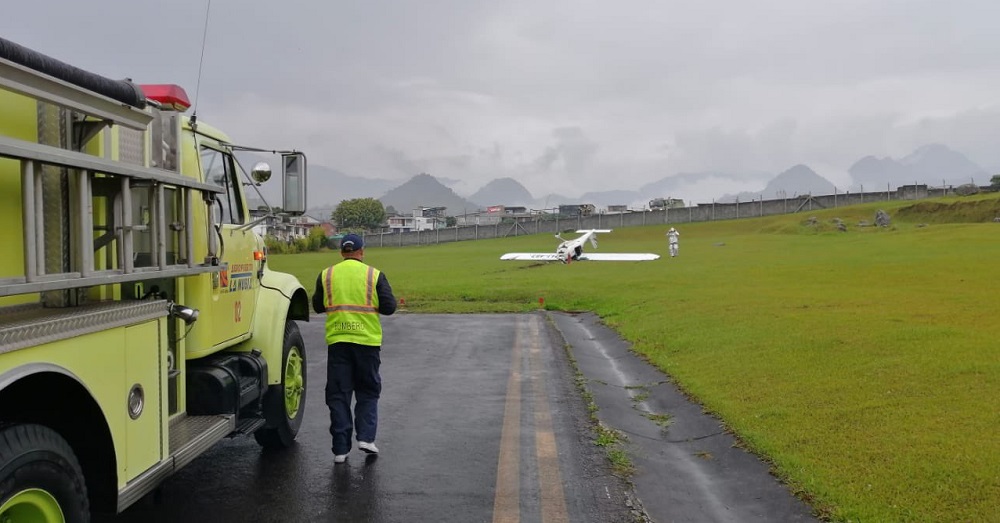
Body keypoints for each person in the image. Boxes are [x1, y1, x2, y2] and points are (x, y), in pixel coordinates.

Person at [312, 233, 397, 464]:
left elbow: (318, 306)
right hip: (367, 343)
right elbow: (389, 307)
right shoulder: (374, 274)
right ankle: (366, 438)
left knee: (339, 395)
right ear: (362, 251)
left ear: (342, 252)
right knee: (368, 391)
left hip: (338, 342)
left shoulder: (327, 275)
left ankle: (340, 449)